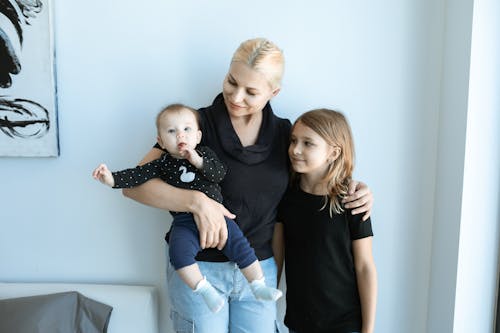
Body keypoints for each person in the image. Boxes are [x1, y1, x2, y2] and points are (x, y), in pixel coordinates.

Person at [120, 38, 374, 333]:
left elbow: (313, 179)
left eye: (251, 92)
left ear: (273, 92)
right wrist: (197, 203)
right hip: (199, 267)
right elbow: (133, 186)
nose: (236, 96)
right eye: (231, 82)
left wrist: (356, 189)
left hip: (258, 270)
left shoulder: (284, 134)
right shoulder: (193, 125)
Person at [92, 103, 282, 313]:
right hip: (185, 221)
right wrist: (110, 179)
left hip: (219, 218)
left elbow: (219, 174)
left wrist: (198, 160)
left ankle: (258, 285)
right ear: (161, 141)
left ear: (198, 136)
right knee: (178, 254)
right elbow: (135, 177)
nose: (180, 135)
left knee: (242, 247)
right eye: (171, 131)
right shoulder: (161, 163)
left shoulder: (205, 154)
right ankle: (204, 289)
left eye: (187, 129)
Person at [275, 109, 377, 333]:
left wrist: (368, 329)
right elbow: (277, 261)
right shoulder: (287, 198)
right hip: (299, 323)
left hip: (345, 324)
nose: (295, 150)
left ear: (333, 153)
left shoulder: (353, 201)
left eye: (308, 143)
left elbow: (365, 267)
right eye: (293, 141)